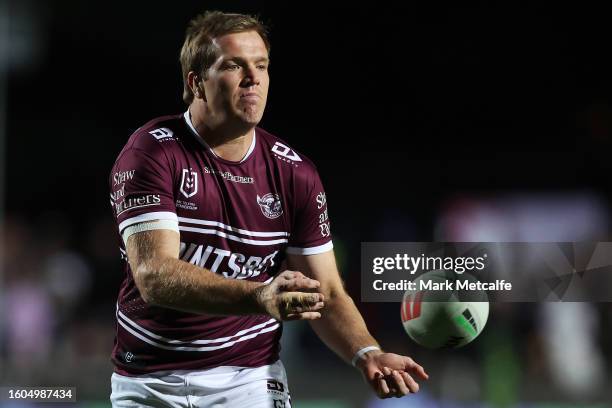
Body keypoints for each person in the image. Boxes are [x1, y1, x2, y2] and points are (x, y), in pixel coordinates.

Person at [108, 10, 428, 407]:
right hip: (150, 383)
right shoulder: (152, 153)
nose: (252, 78)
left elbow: (326, 290)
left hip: (250, 381)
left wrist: (367, 352)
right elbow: (154, 276)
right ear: (197, 83)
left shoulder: (295, 174)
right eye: (233, 66)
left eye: (261, 66)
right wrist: (259, 296)